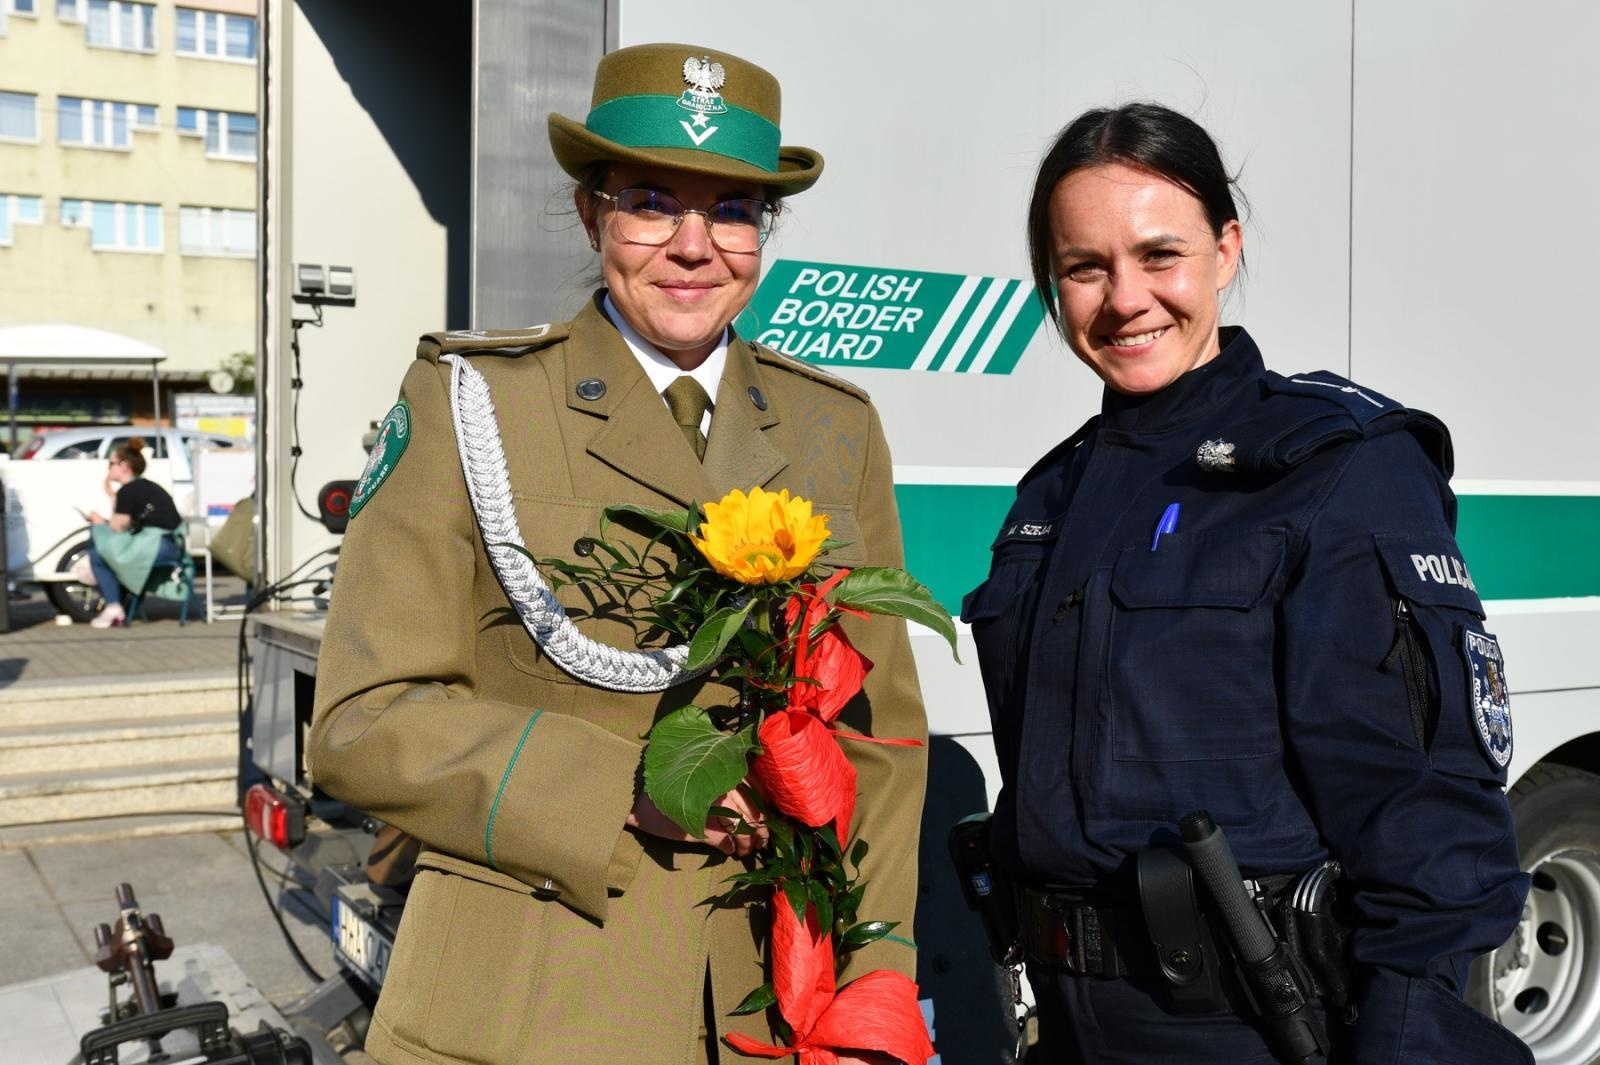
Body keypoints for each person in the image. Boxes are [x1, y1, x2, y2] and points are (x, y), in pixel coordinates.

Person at [308, 43, 928, 1065]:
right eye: (651, 202)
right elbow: (363, 722)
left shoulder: (833, 428)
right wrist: (619, 787)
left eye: (732, 209)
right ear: (595, 213)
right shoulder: (476, 400)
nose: (694, 245)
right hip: (530, 996)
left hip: (768, 998)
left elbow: (880, 743)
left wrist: (872, 988)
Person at [961, 103, 1531, 1064]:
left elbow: (1431, 827)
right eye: (1085, 267)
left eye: (1159, 255)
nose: (1126, 298)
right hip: (1062, 1025)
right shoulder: (1050, 491)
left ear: (1225, 250)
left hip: (1251, 1027)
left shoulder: (1334, 468)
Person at [83, 438, 183, 628]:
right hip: (170, 544)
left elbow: (117, 528)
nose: (108, 468)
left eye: (111, 463)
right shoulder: (145, 486)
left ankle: (113, 605)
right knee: (105, 550)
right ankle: (118, 605)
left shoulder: (128, 491)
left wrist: (100, 519)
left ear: (124, 465)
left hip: (159, 546)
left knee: (98, 551)